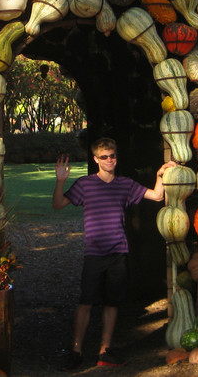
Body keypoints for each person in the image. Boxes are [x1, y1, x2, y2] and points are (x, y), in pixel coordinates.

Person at [52, 137, 168, 370]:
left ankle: (105, 351)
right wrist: (60, 181)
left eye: (112, 156)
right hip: (94, 254)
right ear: (95, 159)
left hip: (118, 252)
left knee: (112, 303)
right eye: (104, 157)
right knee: (85, 302)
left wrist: (160, 175)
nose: (109, 160)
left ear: (116, 157)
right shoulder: (85, 184)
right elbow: (58, 204)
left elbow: (157, 196)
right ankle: (76, 351)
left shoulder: (125, 184)